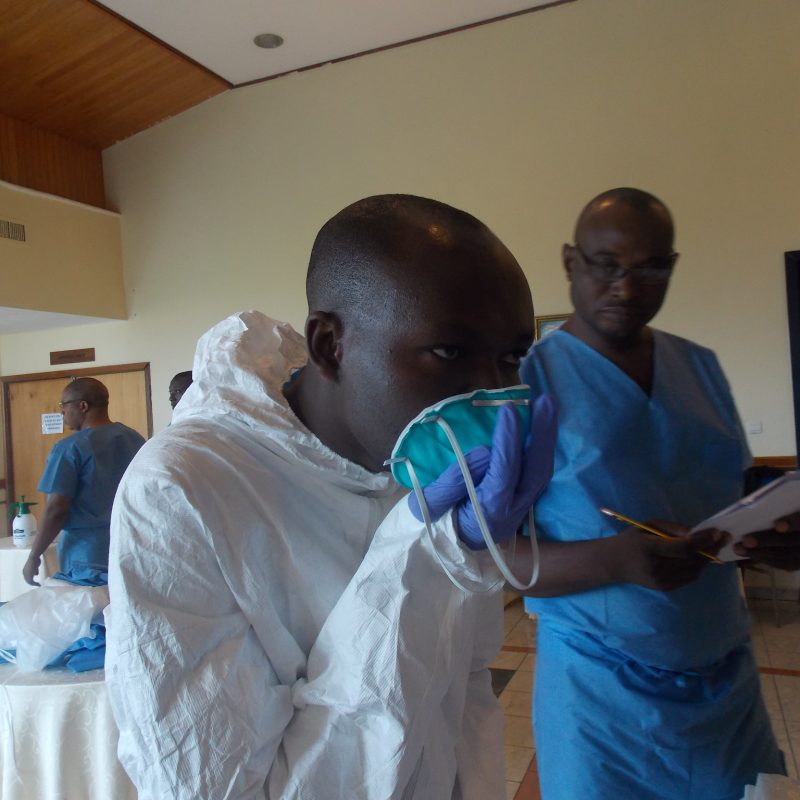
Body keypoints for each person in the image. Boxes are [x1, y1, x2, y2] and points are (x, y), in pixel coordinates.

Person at [106, 194, 552, 799]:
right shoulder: (182, 491)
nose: (492, 395)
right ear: (329, 346)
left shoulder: (421, 462)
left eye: (511, 360)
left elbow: (463, 696)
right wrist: (423, 553)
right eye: (450, 352)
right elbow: (220, 787)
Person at [517, 187, 795, 800]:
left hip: (723, 676)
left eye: (650, 268)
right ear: (570, 262)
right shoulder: (529, 382)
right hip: (601, 695)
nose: (626, 287)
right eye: (606, 265)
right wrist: (616, 559)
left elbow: (731, 486)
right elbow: (494, 557)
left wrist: (774, 533)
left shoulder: (699, 366)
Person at [23, 377, 145, 586]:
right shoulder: (135, 440)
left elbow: (57, 510)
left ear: (82, 406)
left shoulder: (70, 448)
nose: (61, 412)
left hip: (86, 556)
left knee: (87, 615)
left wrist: (34, 556)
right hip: (131, 545)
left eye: (64, 405)